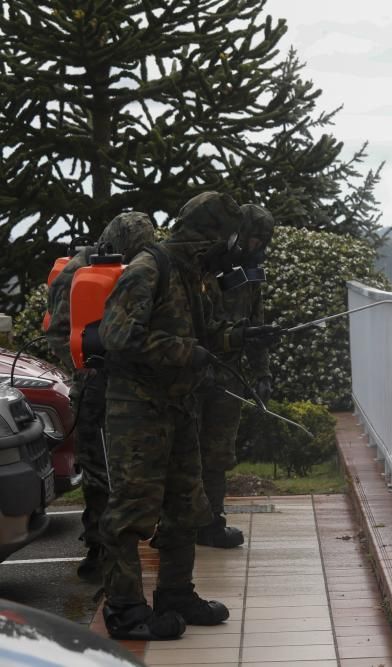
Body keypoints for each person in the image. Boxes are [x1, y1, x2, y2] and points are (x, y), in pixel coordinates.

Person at [97, 191, 277, 640]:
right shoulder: (148, 269)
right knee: (131, 513)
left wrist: (244, 336)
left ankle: (176, 594)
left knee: (185, 506)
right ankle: (125, 609)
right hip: (138, 410)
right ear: (208, 235)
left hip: (180, 407)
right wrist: (182, 352)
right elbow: (116, 337)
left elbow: (209, 331)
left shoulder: (194, 275)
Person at [45, 212, 156, 583]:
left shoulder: (128, 268)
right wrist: (84, 367)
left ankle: (119, 543)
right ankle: (97, 550)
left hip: (127, 385)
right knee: (98, 470)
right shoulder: (78, 272)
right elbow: (61, 332)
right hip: (93, 387)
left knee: (127, 467)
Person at [197, 204, 275, 548]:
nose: (260, 248)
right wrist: (235, 336)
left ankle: (211, 521)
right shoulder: (203, 269)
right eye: (256, 239)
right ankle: (184, 521)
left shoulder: (249, 276)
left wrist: (262, 371)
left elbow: (255, 324)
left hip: (227, 378)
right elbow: (196, 330)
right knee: (188, 453)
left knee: (217, 454)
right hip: (194, 374)